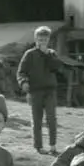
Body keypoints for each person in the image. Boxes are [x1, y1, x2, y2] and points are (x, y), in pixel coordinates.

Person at [17, 26, 63, 155]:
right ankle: (38, 146)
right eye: (40, 38)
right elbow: (21, 72)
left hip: (50, 90)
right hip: (35, 91)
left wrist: (47, 55)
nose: (42, 41)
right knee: (37, 119)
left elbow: (57, 68)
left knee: (51, 118)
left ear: (49, 39)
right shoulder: (30, 54)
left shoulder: (52, 53)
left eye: (45, 38)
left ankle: (53, 146)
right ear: (36, 39)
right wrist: (24, 82)